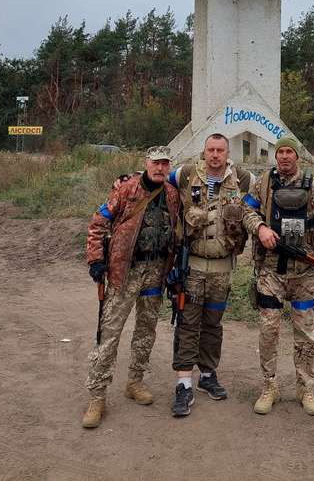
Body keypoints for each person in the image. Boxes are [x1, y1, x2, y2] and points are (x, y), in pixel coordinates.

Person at [242, 136, 314, 416]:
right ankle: (269, 385)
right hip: (271, 271)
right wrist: (260, 227)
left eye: (289, 152)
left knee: (305, 334)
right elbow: (245, 210)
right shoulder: (262, 184)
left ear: (297, 156)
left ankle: (304, 387)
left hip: (305, 273)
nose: (284, 157)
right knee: (268, 330)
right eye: (280, 152)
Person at [81, 146, 180, 429]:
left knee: (146, 331)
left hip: (155, 272)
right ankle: (97, 396)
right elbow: (98, 222)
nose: (160, 168)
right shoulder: (127, 189)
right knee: (109, 335)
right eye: (156, 163)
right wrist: (96, 260)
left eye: (165, 164)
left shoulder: (172, 195)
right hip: (124, 273)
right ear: (146, 164)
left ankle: (135, 381)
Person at [167, 133, 254, 417]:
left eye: (220, 150)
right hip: (192, 264)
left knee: (213, 324)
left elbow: (266, 195)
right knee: (188, 322)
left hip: (221, 269)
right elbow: (156, 178)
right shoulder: (187, 173)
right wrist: (128, 180)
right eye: (210, 150)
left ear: (228, 153)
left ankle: (207, 375)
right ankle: (183, 383)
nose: (215, 155)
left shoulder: (242, 178)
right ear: (204, 152)